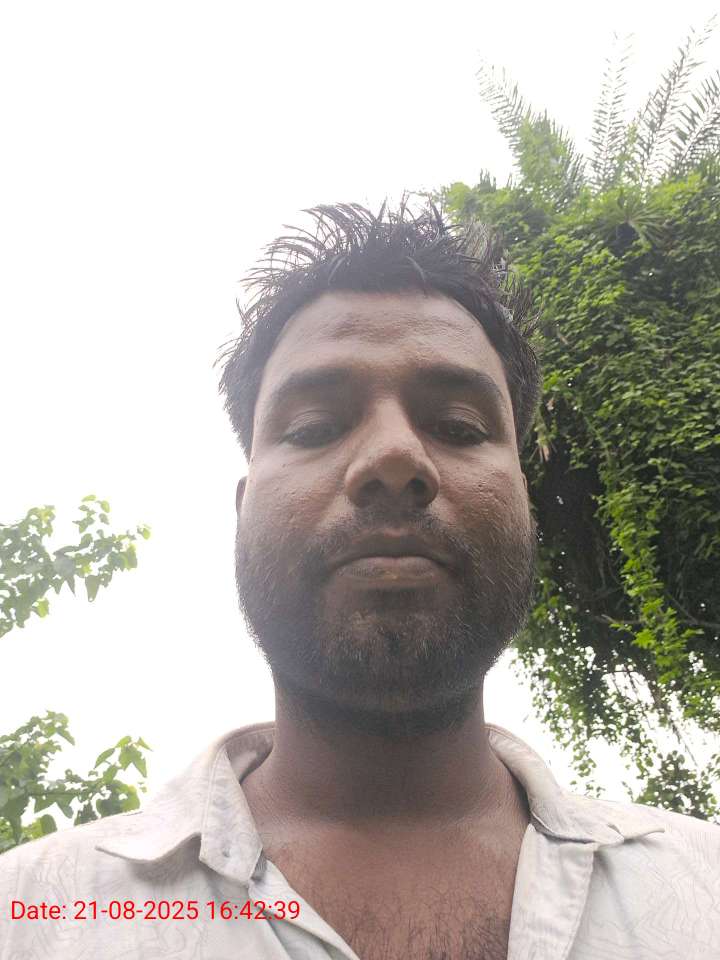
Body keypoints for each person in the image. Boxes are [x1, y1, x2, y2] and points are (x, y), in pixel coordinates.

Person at [1, 200, 718, 960]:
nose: (394, 458)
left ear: (524, 504)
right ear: (244, 511)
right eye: (313, 428)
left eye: (459, 426)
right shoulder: (35, 917)